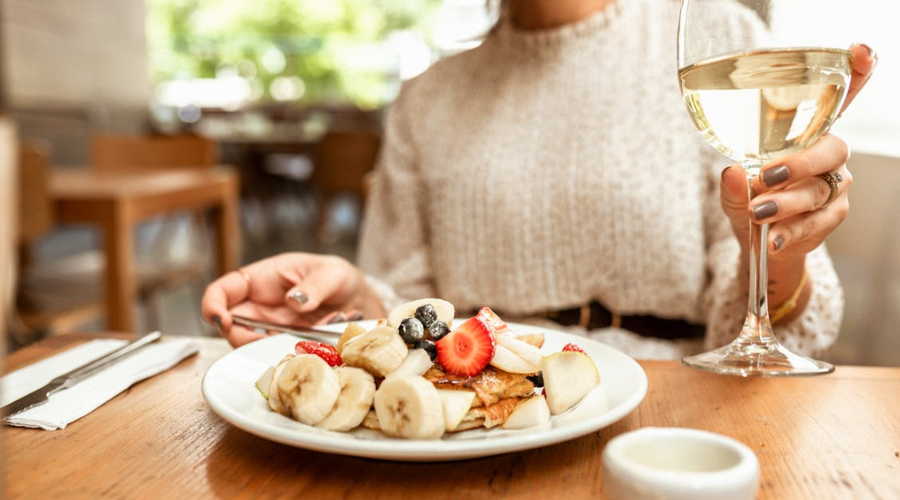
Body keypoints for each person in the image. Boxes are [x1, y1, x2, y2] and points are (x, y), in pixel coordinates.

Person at [201, 0, 877, 359]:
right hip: (476, 427)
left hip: (676, 419)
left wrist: (772, 251)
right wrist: (353, 305)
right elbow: (411, 314)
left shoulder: (717, 38)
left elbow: (786, 335)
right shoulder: (427, 98)